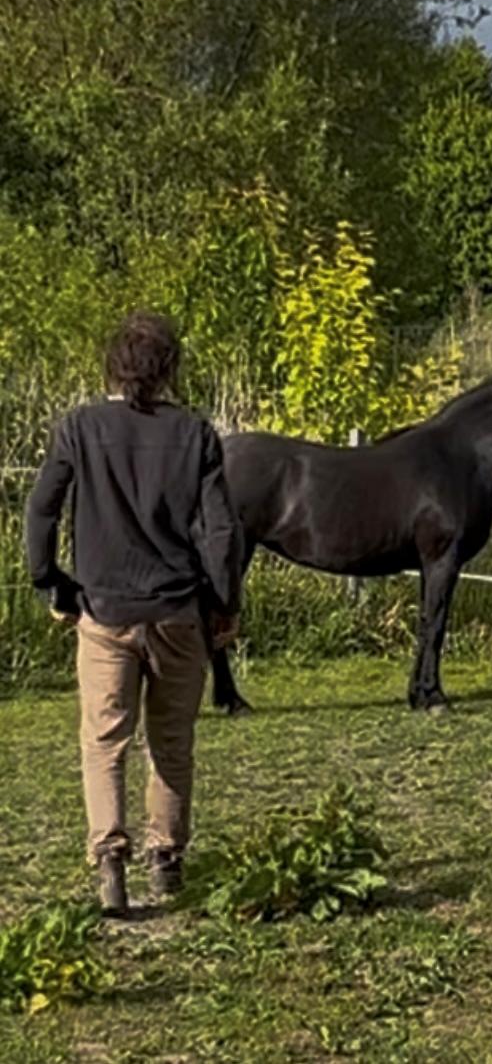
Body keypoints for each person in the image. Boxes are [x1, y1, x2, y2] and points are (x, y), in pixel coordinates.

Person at [25, 312, 244, 918]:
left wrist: (52, 583)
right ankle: (166, 857)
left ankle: (110, 862)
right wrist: (224, 602)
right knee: (171, 740)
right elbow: (221, 532)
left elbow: (41, 509)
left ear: (113, 366)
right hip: (177, 610)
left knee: (104, 741)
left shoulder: (80, 427)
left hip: (104, 610)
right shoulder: (196, 434)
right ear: (170, 368)